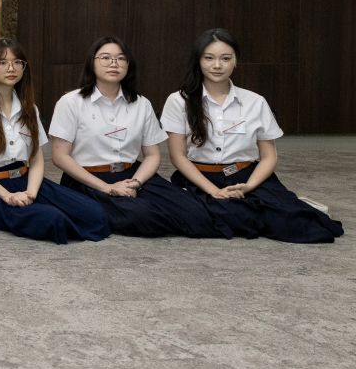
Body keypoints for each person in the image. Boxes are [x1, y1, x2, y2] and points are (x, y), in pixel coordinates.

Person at [161, 28, 343, 244]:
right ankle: (253, 210)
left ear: (236, 61)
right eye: (209, 58)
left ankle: (286, 206)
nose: (217, 65)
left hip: (246, 176)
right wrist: (215, 191)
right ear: (198, 61)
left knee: (302, 227)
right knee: (196, 218)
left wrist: (249, 186)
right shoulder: (179, 100)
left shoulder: (255, 102)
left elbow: (269, 156)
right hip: (199, 178)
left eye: (225, 58)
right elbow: (178, 156)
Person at [49, 37, 223, 238]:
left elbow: (152, 155)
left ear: (128, 65)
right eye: (105, 57)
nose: (114, 63)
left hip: (132, 174)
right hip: (87, 178)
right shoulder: (71, 102)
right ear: (91, 63)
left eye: (121, 58)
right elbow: (60, 157)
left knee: (195, 213)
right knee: (143, 216)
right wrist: (108, 188)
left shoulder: (141, 103)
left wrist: (136, 182)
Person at [0, 40, 109, 244]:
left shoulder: (29, 107)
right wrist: (7, 196)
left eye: (17, 62)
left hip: (26, 179)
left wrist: (31, 192)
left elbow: (36, 159)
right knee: (52, 219)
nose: (11, 68)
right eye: (2, 62)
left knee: (94, 213)